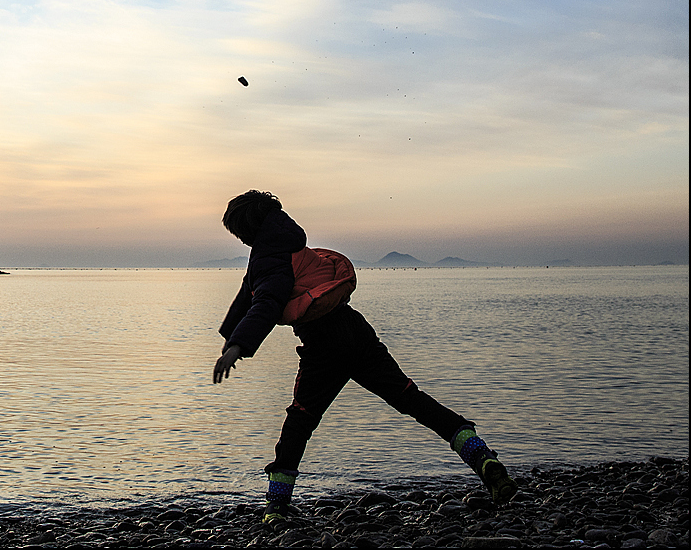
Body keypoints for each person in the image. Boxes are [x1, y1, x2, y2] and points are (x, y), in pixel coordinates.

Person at [212, 190, 517, 525]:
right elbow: (247, 295)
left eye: (238, 233)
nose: (240, 240)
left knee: (300, 420)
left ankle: (276, 507)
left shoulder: (270, 259)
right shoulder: (292, 247)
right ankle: (482, 458)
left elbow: (266, 301)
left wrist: (238, 347)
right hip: (356, 331)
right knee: (410, 398)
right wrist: (231, 338)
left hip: (322, 345)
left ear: (249, 229)